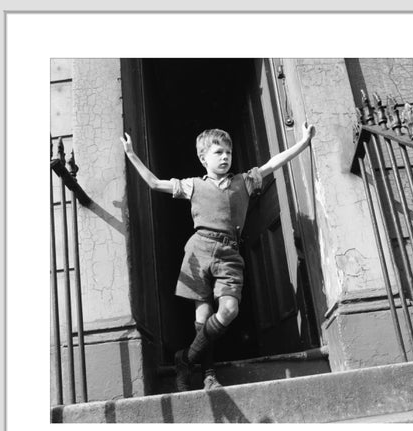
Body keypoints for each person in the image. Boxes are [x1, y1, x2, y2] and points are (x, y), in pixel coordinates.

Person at [120, 121, 315, 392]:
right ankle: (209, 375)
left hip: (229, 254)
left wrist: (303, 143)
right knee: (202, 318)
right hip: (198, 252)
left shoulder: (244, 181)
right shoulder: (192, 186)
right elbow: (154, 183)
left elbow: (274, 162)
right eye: (218, 152)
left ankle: (185, 359)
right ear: (203, 158)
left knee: (229, 310)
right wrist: (131, 154)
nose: (225, 157)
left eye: (228, 152)